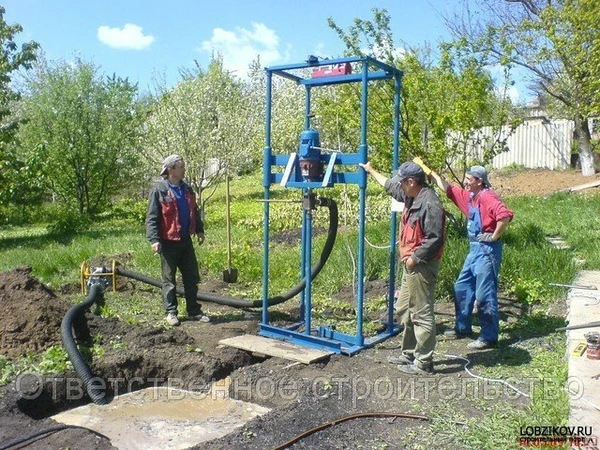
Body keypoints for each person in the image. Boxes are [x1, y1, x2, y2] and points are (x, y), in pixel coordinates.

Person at [360, 161, 446, 374]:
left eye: (403, 182)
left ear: (411, 181)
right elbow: (389, 185)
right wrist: (371, 170)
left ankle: (424, 363)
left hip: (422, 265)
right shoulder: (410, 194)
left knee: (421, 312)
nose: (400, 186)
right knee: (405, 308)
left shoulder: (430, 203)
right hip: (412, 264)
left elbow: (434, 238)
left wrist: (414, 258)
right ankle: (408, 352)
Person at [430, 165, 513, 350]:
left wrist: (494, 236)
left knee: (484, 294)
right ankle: (463, 327)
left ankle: (488, 337)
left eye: (469, 179)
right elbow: (449, 189)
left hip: (487, 251)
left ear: (479, 181)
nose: (465, 182)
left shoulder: (487, 196)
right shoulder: (471, 196)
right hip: (474, 250)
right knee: (462, 286)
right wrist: (432, 174)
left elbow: (504, 216)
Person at [146, 154, 210, 326]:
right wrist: (154, 239)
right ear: (171, 170)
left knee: (191, 277)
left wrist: (199, 230)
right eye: (181, 166)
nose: (184, 169)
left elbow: (194, 212)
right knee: (169, 280)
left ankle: (193, 311)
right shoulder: (159, 190)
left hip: (185, 241)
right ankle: (171, 312)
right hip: (167, 243)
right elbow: (152, 218)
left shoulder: (187, 189)